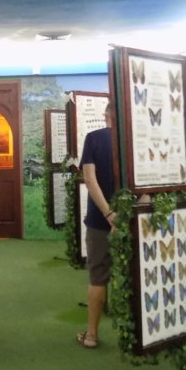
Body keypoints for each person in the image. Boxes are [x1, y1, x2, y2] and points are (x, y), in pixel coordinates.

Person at [76, 102, 116, 349]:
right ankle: (142, 337)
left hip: (100, 221)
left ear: (106, 115)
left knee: (98, 276)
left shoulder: (94, 138)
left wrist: (109, 214)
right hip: (134, 220)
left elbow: (89, 179)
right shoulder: (135, 140)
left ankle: (91, 335)